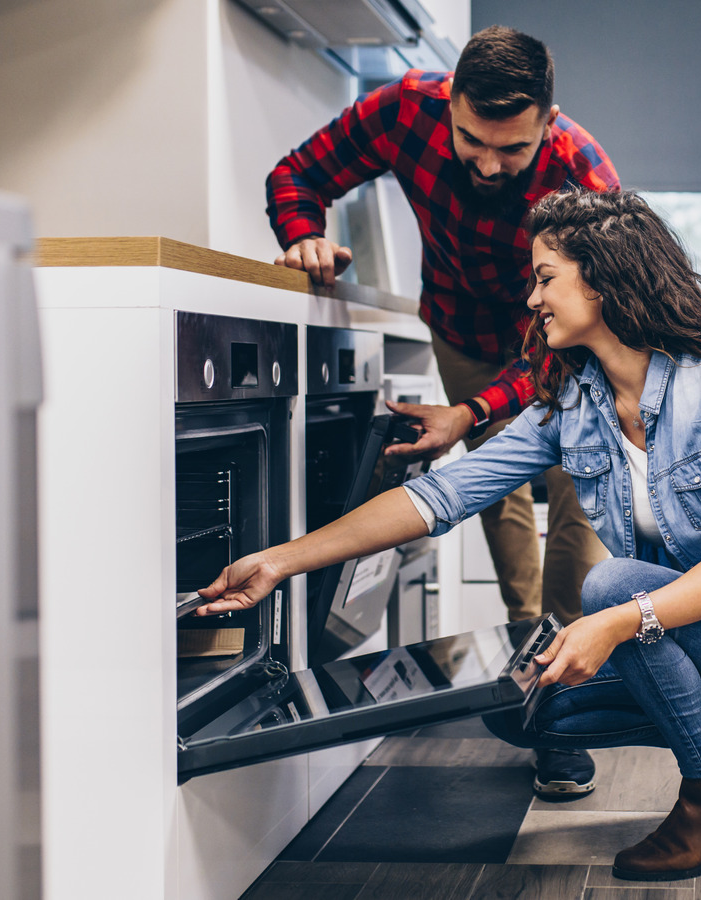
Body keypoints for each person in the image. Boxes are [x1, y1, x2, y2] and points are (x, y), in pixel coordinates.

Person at [200, 188, 701, 881]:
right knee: (532, 714)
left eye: (546, 278)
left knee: (609, 585)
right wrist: (280, 561)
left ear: (604, 280)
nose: (532, 299)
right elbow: (444, 493)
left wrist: (613, 624)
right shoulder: (579, 405)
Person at [266, 25, 615, 797]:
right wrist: (304, 238)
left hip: (559, 339)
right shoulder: (402, 112)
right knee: (496, 492)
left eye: (511, 150)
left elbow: (582, 328)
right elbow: (295, 176)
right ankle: (535, 664)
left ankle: (565, 702)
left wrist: (473, 410)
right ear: (450, 103)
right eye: (471, 140)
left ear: (547, 124)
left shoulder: (583, 174)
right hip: (459, 326)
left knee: (578, 491)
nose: (488, 164)